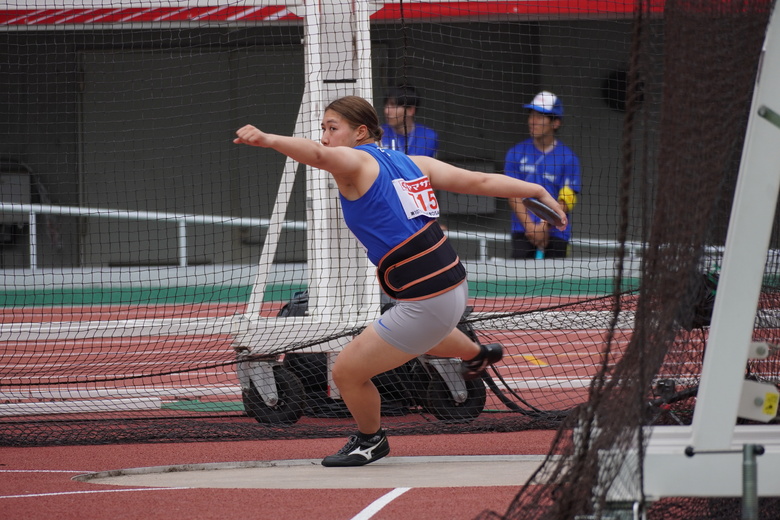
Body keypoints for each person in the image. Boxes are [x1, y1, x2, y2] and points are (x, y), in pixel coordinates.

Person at [234, 95, 566, 467]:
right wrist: (534, 190)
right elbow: (481, 181)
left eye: (332, 128)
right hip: (451, 288)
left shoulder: (355, 160)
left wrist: (268, 139)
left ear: (361, 132)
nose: (325, 137)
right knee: (422, 333)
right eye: (323, 129)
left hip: (428, 297)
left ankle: (369, 440)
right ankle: (477, 354)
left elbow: (319, 156)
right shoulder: (412, 162)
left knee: (347, 372)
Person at [504, 91, 581, 259]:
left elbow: (567, 198)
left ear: (555, 123)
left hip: (556, 233)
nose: (532, 121)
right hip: (523, 230)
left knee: (558, 283)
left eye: (539, 117)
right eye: (531, 115)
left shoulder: (568, 158)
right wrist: (531, 227)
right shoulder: (515, 152)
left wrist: (544, 226)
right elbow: (512, 193)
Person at [381, 85, 439, 157]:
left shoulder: (428, 136)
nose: (386, 111)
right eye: (386, 105)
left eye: (393, 106)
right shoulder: (379, 134)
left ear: (411, 110)